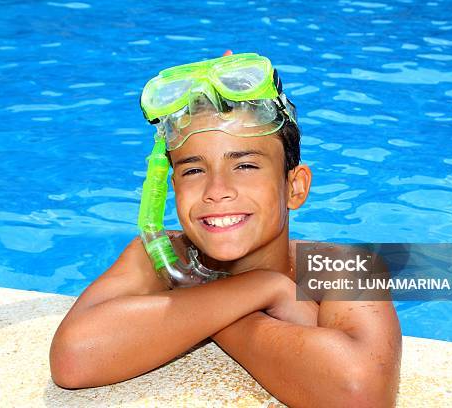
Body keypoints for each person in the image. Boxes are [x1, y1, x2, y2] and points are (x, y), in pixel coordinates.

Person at [49, 51, 401, 407]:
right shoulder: (160, 255)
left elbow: (361, 393)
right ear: (173, 188)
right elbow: (74, 358)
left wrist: (209, 299)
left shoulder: (344, 266)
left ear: (294, 187)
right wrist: (264, 288)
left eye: (246, 165)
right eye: (193, 170)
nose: (217, 190)